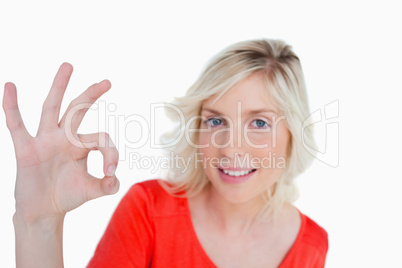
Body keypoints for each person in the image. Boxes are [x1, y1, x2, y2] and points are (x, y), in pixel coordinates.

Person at [3, 39, 328, 268]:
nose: (230, 148)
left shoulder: (311, 246)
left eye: (259, 122)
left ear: (292, 136)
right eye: (215, 120)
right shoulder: (148, 211)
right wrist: (40, 222)